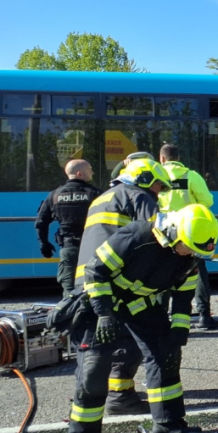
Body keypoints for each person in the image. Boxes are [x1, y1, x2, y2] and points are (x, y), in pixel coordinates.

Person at [70, 204, 218, 433]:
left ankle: (168, 425)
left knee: (166, 356)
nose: (190, 254)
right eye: (189, 248)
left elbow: (184, 292)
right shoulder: (136, 237)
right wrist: (104, 313)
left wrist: (180, 327)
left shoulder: (189, 255)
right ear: (173, 233)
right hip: (99, 304)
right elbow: (95, 272)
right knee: (93, 372)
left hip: (139, 304)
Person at [75, 158, 168, 416]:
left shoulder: (102, 198)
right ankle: (120, 397)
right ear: (146, 180)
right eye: (159, 187)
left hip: (87, 281)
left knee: (97, 347)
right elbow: (158, 236)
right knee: (132, 340)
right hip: (114, 280)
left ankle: (95, 406)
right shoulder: (139, 197)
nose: (159, 193)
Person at [159, 143, 218, 330]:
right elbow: (207, 201)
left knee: (163, 274)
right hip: (188, 232)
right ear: (178, 158)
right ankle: (204, 316)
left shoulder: (156, 177)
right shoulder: (191, 176)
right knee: (198, 273)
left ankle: (161, 318)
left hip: (163, 233)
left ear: (162, 159)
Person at [34, 159, 102, 298]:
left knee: (69, 290)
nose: (92, 172)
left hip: (69, 247)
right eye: (89, 170)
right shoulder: (95, 194)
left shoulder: (54, 195)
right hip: (92, 249)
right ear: (79, 173)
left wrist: (44, 243)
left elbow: (41, 222)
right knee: (94, 286)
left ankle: (70, 316)